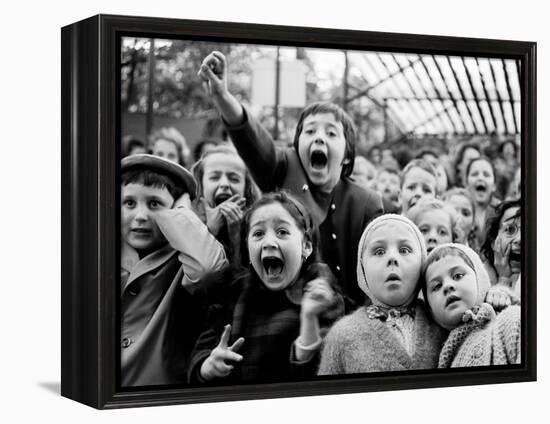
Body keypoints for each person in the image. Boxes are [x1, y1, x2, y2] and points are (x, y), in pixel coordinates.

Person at [197, 51, 383, 311]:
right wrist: (222, 97)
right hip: (283, 313)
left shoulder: (366, 202)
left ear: (347, 154)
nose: (319, 137)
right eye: (310, 131)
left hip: (347, 319)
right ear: (297, 146)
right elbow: (254, 141)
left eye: (331, 132)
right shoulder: (284, 168)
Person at [188, 191, 344, 384]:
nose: (269, 242)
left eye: (282, 232)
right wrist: (208, 367)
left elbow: (325, 375)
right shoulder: (233, 292)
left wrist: (309, 319)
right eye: (259, 233)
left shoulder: (322, 294)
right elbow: (200, 355)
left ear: (306, 246)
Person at [120, 154, 228, 386]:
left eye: (154, 204)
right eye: (129, 203)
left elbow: (207, 268)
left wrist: (182, 211)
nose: (140, 216)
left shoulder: (182, 258)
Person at [318, 214, 446, 374]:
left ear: (422, 262)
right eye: (379, 252)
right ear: (362, 269)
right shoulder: (342, 335)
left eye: (405, 250)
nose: (392, 258)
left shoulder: (442, 320)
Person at [423, 243, 520, 367]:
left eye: (458, 276)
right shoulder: (434, 357)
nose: (447, 286)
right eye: (437, 286)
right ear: (430, 309)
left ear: (480, 281)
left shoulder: (509, 321)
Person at [192, 145, 261, 265]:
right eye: (214, 178)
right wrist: (210, 231)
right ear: (200, 185)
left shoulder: (258, 227)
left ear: (246, 188)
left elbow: (243, 278)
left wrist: (236, 235)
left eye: (234, 179)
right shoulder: (186, 223)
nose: (224, 184)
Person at [480, 199, 521, 304]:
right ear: (494, 242)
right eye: (510, 229)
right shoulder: (478, 280)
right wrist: (504, 279)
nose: (519, 239)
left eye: (528, 230)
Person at [465, 157, 499, 250]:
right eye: (474, 174)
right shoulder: (457, 211)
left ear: (494, 185)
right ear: (466, 183)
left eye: (486, 175)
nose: (480, 178)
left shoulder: (502, 212)